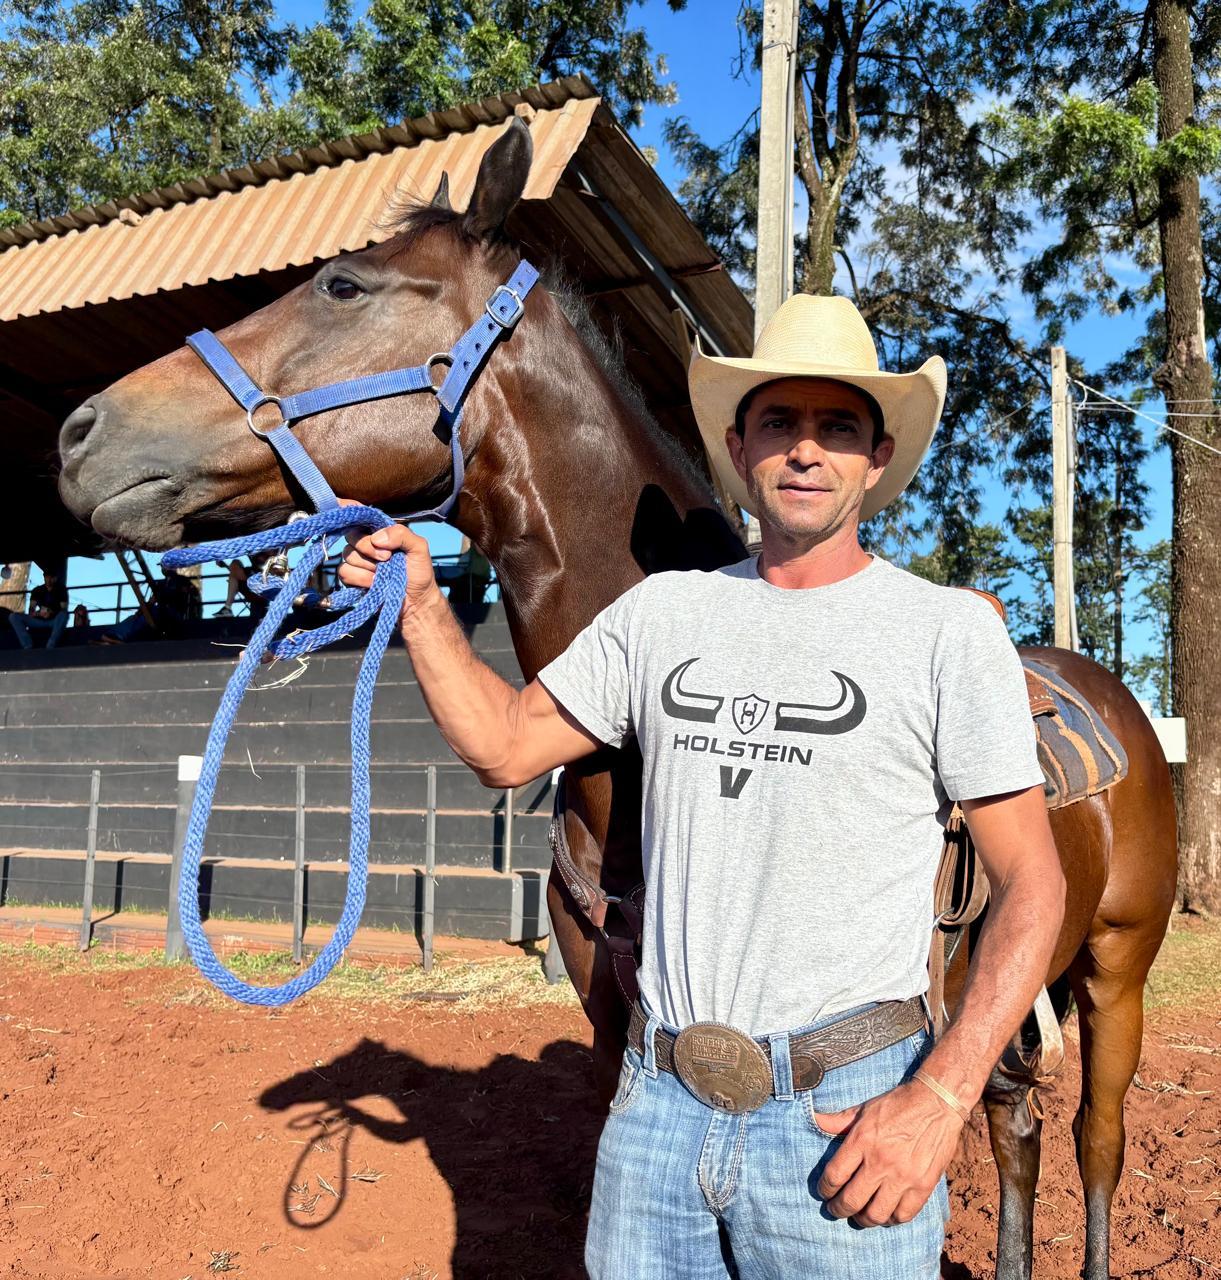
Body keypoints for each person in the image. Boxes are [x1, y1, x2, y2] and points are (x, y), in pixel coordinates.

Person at [338, 293, 1065, 1279]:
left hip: (843, 1114)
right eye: (780, 421)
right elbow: (508, 744)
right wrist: (423, 609)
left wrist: (940, 1095)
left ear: (876, 459)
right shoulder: (662, 614)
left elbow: (1033, 882)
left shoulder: (943, 632)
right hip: (658, 1110)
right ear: (739, 446)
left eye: (837, 426)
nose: (806, 449)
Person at [9, 569, 69, 650]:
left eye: (51, 577)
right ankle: (27, 645)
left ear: (55, 578)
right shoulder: (37, 590)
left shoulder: (61, 590)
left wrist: (51, 612)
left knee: (64, 615)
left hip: (54, 621)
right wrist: (37, 613)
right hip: (38, 620)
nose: (49, 579)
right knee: (13, 617)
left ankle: (51, 644)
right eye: (47, 577)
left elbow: (63, 609)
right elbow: (31, 609)